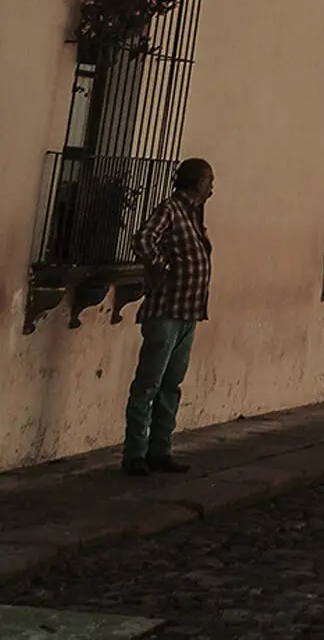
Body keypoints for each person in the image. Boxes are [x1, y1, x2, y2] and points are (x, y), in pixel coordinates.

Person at [124, 158, 214, 477]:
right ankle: (135, 453)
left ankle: (160, 450)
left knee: (171, 384)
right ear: (196, 182)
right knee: (149, 383)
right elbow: (143, 240)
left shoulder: (193, 214)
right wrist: (163, 266)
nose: (212, 188)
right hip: (166, 310)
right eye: (208, 181)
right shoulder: (172, 209)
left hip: (188, 312)